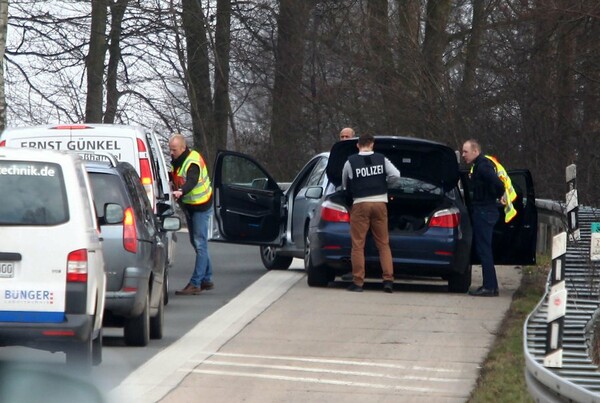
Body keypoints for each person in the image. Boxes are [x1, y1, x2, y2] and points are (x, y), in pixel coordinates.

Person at [342, 133, 400, 293]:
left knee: (358, 245)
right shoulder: (382, 159)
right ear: (372, 144)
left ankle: (358, 282)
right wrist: (384, 185)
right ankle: (388, 280)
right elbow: (396, 175)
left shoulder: (350, 161)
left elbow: (345, 185)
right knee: (383, 244)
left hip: (360, 204)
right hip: (380, 202)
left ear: (357, 145)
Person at [169, 133, 215, 295]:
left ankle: (196, 283)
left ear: (183, 148)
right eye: (170, 149)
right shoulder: (177, 161)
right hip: (190, 206)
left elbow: (192, 180)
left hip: (201, 206)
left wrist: (181, 191)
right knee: (196, 243)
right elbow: (175, 176)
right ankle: (207, 279)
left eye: (174, 149)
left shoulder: (192, 162)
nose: (171, 152)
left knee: (200, 243)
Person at [461, 139, 506, 297]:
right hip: (484, 210)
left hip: (485, 211)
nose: (463, 155)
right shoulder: (478, 166)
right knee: (484, 249)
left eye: (465, 151)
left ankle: (489, 286)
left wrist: (495, 196)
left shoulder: (483, 166)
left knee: (484, 249)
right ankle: (491, 286)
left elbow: (499, 184)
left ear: (475, 151)